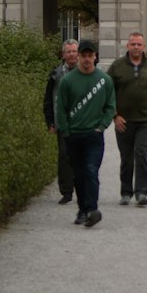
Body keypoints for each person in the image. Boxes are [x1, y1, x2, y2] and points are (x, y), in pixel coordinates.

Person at [55, 40, 116, 227]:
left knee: (90, 171)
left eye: (90, 56)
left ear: (95, 56)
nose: (87, 59)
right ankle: (82, 209)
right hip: (73, 135)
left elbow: (110, 106)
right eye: (84, 56)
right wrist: (65, 130)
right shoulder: (67, 81)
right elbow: (61, 108)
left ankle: (92, 209)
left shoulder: (104, 80)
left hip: (93, 135)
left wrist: (102, 126)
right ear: (79, 57)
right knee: (79, 174)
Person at [106, 32, 147, 206]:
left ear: (143, 47)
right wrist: (114, 116)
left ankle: (141, 191)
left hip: (145, 119)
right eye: (133, 44)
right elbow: (107, 92)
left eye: (139, 44)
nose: (136, 47)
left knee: (141, 153)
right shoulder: (117, 66)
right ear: (128, 46)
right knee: (126, 157)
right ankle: (126, 191)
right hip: (123, 120)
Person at [43, 39, 79, 203]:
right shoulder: (56, 74)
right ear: (63, 55)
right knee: (64, 156)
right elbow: (48, 99)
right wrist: (50, 121)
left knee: (82, 156)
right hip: (63, 121)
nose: (72, 54)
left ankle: (82, 188)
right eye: (68, 51)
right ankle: (66, 191)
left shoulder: (87, 72)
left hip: (82, 121)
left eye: (74, 51)